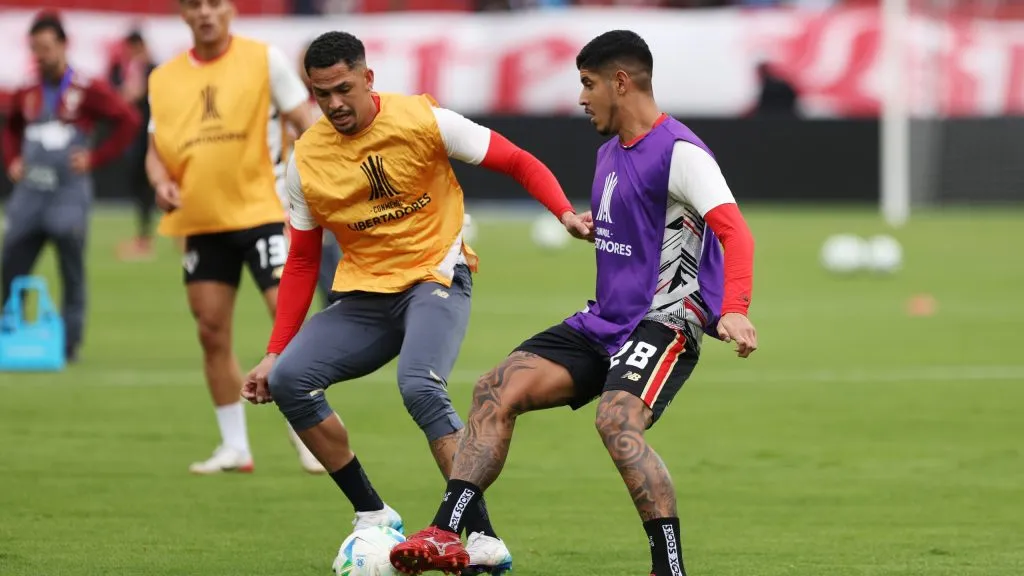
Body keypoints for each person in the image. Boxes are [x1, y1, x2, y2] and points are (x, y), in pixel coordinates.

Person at [391, 30, 758, 576]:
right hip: (606, 320)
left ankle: (669, 567)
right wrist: (587, 225)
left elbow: (736, 232)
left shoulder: (680, 153)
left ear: (620, 82)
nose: (581, 98)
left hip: (665, 319)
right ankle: (446, 531)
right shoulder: (609, 153)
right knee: (495, 388)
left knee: (615, 422)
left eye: (587, 84)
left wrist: (735, 306)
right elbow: (633, 231)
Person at [240, 31, 590, 575]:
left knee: (419, 384)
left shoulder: (424, 120)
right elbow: (304, 262)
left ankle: (479, 538)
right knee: (288, 380)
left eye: (343, 88)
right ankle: (373, 513)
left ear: (367, 78)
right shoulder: (304, 161)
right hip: (364, 297)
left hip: (436, 279)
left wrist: (564, 212)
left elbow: (518, 160)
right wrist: (273, 351)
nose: (334, 104)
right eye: (320, 93)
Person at [145, 0, 322, 475]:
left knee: (288, 323)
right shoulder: (163, 79)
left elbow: (307, 124)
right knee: (210, 330)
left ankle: (308, 431)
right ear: (183, 14)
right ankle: (234, 446)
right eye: (194, 5)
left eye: (214, 3)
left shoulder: (264, 59)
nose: (205, 13)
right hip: (201, 220)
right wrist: (160, 181)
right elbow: (155, 150)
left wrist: (319, 186)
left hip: (264, 211)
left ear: (230, 10)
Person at [1, 13, 140, 363]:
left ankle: (69, 344)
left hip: (68, 194)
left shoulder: (86, 88)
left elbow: (128, 119)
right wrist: (12, 159)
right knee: (11, 265)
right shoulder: (27, 89)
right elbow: (9, 126)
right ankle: (9, 335)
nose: (41, 55)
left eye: (46, 48)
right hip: (29, 193)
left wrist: (95, 157)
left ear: (63, 45)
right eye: (35, 49)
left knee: (71, 269)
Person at [288, 42, 343, 308]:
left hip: (328, 192)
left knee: (330, 266)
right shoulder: (292, 105)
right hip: (301, 193)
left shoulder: (330, 105)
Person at [109, 29, 159, 261]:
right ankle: (146, 238)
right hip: (137, 136)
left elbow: (131, 95)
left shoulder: (149, 69)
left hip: (148, 137)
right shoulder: (133, 68)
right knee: (143, 189)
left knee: (148, 187)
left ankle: (146, 240)